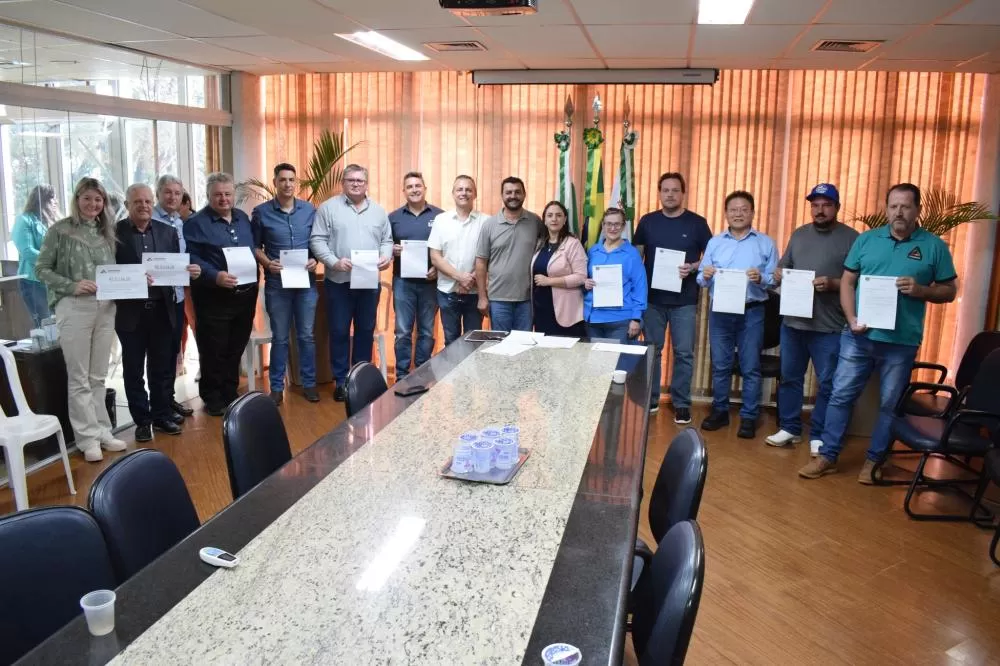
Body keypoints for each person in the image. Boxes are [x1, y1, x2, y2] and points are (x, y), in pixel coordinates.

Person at [799, 183, 957, 483]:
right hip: (858, 336)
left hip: (901, 342)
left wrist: (922, 290)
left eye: (906, 206)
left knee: (889, 404)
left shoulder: (934, 246)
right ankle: (827, 456)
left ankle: (874, 461)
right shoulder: (867, 240)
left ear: (918, 210)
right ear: (886, 209)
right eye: (894, 206)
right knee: (840, 395)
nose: (899, 212)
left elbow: (949, 290)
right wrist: (851, 317)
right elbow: (847, 282)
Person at [35, 177, 127, 462]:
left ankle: (102, 431)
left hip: (105, 308)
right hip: (74, 308)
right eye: (87, 198)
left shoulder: (106, 233)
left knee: (97, 375)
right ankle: (86, 438)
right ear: (77, 199)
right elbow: (41, 269)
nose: (93, 204)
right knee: (78, 378)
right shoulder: (59, 231)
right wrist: (71, 285)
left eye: (98, 199)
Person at [766, 184, 858, 454]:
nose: (820, 210)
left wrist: (833, 284)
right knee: (790, 377)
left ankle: (818, 434)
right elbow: (783, 267)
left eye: (826, 205)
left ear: (837, 208)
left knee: (827, 382)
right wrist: (780, 274)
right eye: (815, 205)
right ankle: (790, 428)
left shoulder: (852, 239)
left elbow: (858, 282)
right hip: (794, 323)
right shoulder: (799, 234)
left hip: (828, 326)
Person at [115, 184, 200, 442]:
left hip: (162, 310)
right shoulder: (114, 233)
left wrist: (188, 271)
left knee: (161, 366)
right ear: (128, 205)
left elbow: (174, 268)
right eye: (137, 202)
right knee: (133, 369)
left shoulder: (167, 232)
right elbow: (110, 269)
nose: (143, 206)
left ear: (153, 204)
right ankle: (142, 420)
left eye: (147, 201)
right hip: (131, 313)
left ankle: (161, 413)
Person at [697, 190, 778, 439]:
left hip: (751, 312)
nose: (738, 214)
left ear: (752, 213)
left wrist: (761, 278)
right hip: (720, 313)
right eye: (734, 209)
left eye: (744, 209)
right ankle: (720, 411)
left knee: (750, 366)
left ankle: (749, 417)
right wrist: (706, 275)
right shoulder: (715, 242)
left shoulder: (765, 243)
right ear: (726, 213)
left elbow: (774, 281)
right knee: (720, 365)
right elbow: (701, 278)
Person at [310, 164, 393, 401]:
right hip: (339, 281)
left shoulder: (378, 211)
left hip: (368, 283)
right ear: (343, 183)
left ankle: (360, 380)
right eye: (351, 180)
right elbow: (317, 240)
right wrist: (334, 262)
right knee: (338, 331)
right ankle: (341, 381)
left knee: (366, 330)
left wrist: (385, 257)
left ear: (367, 184)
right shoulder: (328, 209)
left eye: (360, 180)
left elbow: (387, 240)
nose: (356, 184)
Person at [633, 172, 712, 422]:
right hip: (653, 300)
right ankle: (652, 398)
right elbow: (637, 258)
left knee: (684, 353)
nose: (670, 194)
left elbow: (711, 258)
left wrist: (694, 266)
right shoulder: (647, 221)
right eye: (665, 190)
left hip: (684, 300)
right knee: (652, 351)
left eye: (675, 190)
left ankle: (681, 403)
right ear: (659, 193)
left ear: (683, 193)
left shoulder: (697, 223)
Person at [184, 172, 259, 416]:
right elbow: (192, 258)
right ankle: (212, 397)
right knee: (214, 347)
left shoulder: (242, 218)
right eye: (218, 195)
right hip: (213, 297)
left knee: (235, 345)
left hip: (245, 295)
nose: (223, 199)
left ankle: (230, 391)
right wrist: (214, 275)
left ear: (233, 195)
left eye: (227, 194)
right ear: (208, 196)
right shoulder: (196, 223)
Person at [252, 162, 320, 405]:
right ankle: (277, 387)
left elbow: (318, 243)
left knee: (306, 336)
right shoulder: (261, 212)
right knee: (280, 337)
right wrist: (268, 263)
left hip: (306, 284)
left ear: (296, 182)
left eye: (291, 180)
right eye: (282, 180)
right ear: (275, 183)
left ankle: (309, 384)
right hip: (277, 284)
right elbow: (255, 247)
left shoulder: (310, 210)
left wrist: (315, 260)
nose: (287, 184)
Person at [388, 172, 442, 381]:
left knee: (427, 331)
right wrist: (391, 250)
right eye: (409, 186)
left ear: (425, 188)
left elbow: (446, 250)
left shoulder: (439, 216)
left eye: (418, 185)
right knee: (402, 331)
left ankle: (422, 372)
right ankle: (401, 375)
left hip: (430, 282)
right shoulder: (393, 218)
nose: (414, 189)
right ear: (404, 191)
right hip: (403, 282)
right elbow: (383, 246)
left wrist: (438, 269)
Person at [475, 176, 542, 332]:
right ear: (502, 196)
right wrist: (482, 297)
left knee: (524, 346)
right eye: (509, 192)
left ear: (524, 195)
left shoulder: (535, 221)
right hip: (498, 300)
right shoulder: (489, 225)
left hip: (527, 300)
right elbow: (480, 262)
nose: (513, 196)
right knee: (500, 345)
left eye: (517, 192)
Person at [153, 175, 195, 417]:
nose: (172, 197)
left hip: (177, 295)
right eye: (167, 192)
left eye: (177, 193)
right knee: (159, 355)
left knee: (172, 351)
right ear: (158, 193)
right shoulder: (152, 221)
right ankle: (159, 407)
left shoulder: (178, 221)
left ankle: (168, 400)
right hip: (158, 298)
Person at [429, 175, 486, 345]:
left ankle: (471, 373)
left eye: (468, 189)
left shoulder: (486, 222)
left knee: (473, 341)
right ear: (453, 193)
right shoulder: (441, 220)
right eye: (459, 189)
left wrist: (470, 279)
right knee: (451, 341)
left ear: (475, 194)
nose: (464, 193)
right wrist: (460, 277)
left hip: (475, 292)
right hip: (447, 292)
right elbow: (435, 257)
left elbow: (489, 257)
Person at [583, 208, 647, 342]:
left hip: (621, 320)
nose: (613, 228)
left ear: (623, 226)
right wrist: (586, 283)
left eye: (617, 224)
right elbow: (585, 279)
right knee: (597, 362)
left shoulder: (632, 254)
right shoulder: (593, 251)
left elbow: (640, 287)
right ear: (603, 225)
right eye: (609, 224)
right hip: (594, 319)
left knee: (619, 362)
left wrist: (636, 318)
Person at [531, 201, 587, 336]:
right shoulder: (541, 243)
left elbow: (581, 277)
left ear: (565, 219)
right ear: (544, 220)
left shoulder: (573, 243)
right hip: (541, 310)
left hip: (566, 312)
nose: (554, 219)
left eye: (558, 215)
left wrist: (550, 281)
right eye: (550, 215)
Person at [12, 184, 58, 327]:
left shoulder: (50, 221)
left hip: (53, 282)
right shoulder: (24, 220)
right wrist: (55, 261)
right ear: (42, 201)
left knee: (58, 324)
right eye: (53, 200)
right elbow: (27, 251)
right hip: (33, 282)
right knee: (45, 325)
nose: (56, 203)